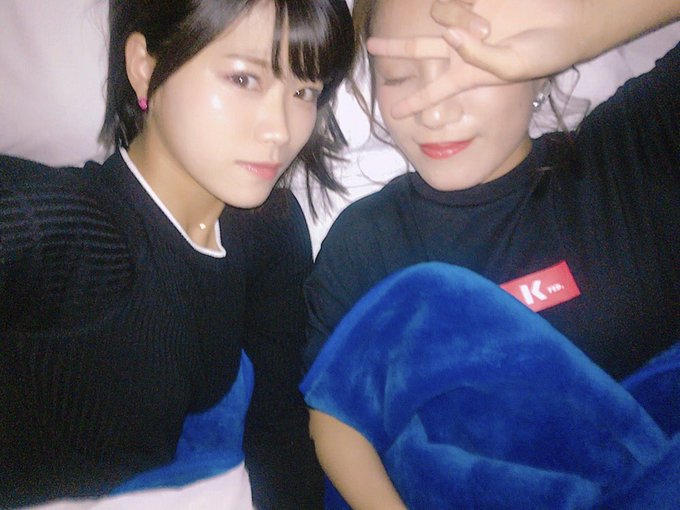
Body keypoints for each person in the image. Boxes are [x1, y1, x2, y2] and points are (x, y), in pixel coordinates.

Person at [302, 0, 679, 507]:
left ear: (540, 69)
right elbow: (333, 415)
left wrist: (586, 25)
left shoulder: (633, 158)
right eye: (398, 76)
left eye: (474, 67)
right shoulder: (365, 243)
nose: (434, 111)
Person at [0, 0, 353, 508]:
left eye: (303, 92)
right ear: (144, 68)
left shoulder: (270, 229)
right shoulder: (56, 224)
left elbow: (279, 431)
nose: (280, 129)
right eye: (244, 79)